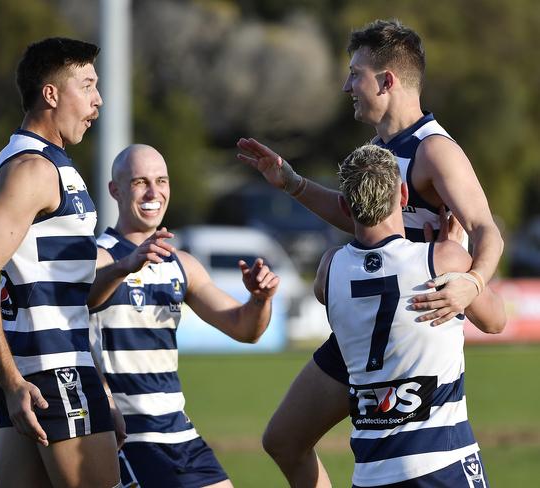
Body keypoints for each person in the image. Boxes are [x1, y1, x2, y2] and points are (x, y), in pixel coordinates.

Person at [237, 19, 504, 487]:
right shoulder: (378, 151)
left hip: (418, 326)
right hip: (372, 322)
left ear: (387, 81)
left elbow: (486, 229)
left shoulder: (434, 150)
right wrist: (293, 184)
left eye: (354, 73)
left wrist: (473, 283)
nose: (347, 86)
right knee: (283, 438)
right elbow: (365, 221)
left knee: (417, 456)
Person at [0, 38, 121, 488]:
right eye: (87, 86)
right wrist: (12, 382)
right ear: (51, 95)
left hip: (48, 373)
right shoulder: (33, 169)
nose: (97, 99)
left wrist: (98, 388)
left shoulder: (46, 163)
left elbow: (55, 289)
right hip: (52, 373)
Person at [87, 143, 280, 488]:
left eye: (161, 181)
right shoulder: (99, 257)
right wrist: (125, 266)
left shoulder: (182, 264)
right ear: (115, 190)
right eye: (139, 182)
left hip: (177, 430)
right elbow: (84, 297)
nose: (153, 192)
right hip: (125, 435)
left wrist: (259, 300)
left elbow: (244, 329)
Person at [312, 144, 505, 486]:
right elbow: (495, 321)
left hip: (371, 471)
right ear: (403, 195)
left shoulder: (328, 270)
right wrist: (457, 253)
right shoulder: (443, 260)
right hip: (441, 461)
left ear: (344, 205)